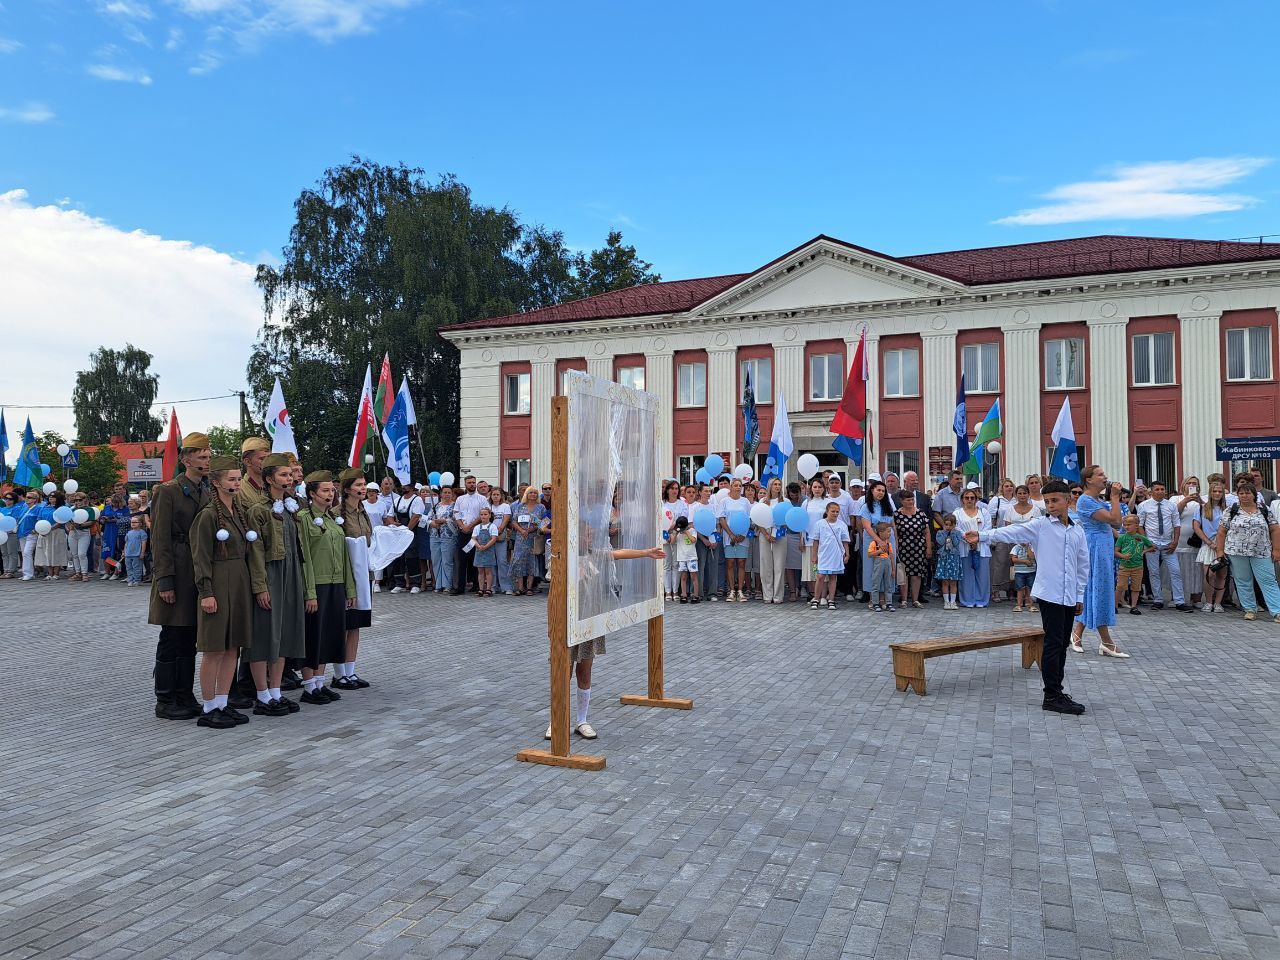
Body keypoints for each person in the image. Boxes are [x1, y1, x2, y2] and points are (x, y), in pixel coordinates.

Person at [970, 479, 1090, 715]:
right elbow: (1010, 531)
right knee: (1054, 644)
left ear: (1069, 500)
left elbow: (1082, 564)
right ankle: (1051, 695)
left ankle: (1057, 689)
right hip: (1050, 594)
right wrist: (982, 536)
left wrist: (1079, 594)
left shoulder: (1077, 529)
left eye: (1055, 500)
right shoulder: (1040, 525)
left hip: (1068, 595)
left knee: (1062, 643)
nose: (1051, 505)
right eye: (1047, 501)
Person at [544, 543, 666, 742]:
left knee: (585, 671)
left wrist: (646, 552)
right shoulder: (560, 554)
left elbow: (619, 554)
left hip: (589, 620)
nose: (589, 536)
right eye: (586, 532)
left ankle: (581, 721)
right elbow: (552, 594)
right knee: (561, 672)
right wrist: (552, 623)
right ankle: (556, 720)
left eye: (591, 532)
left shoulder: (596, 555)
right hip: (565, 622)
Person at [190, 455, 256, 729]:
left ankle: (222, 702)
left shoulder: (237, 512)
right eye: (231, 479)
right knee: (215, 648)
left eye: (238, 478)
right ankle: (208, 707)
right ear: (216, 482)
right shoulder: (207, 516)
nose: (237, 482)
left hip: (238, 582)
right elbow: (200, 557)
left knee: (233, 648)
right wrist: (206, 591)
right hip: (217, 583)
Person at [148, 432, 212, 721]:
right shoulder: (168, 490)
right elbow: (159, 538)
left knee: (190, 636)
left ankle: (185, 693)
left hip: (197, 570)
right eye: (201, 456)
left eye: (209, 456)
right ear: (186, 459)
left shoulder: (208, 490)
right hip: (177, 568)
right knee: (172, 636)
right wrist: (165, 580)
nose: (207, 461)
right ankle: (165, 698)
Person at [241, 453, 306, 716]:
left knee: (285, 633)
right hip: (271, 575)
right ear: (269, 479)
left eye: (290, 474)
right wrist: (260, 586)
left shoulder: (293, 509)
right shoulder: (258, 511)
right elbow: (255, 552)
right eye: (283, 475)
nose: (289, 479)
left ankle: (276, 692)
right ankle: (262, 695)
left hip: (291, 574)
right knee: (264, 635)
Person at [298, 471, 357, 704]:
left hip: (336, 583)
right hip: (317, 584)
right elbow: (305, 559)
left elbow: (345, 557)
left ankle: (320, 683)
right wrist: (309, 592)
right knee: (313, 635)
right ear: (312, 493)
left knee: (329, 635)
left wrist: (349, 589)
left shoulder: (333, 520)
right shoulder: (303, 518)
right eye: (325, 490)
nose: (330, 494)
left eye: (332, 490)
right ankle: (309, 686)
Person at [1069, 465, 1130, 657]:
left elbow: (1113, 526)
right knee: (1099, 590)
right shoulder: (1086, 501)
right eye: (1100, 475)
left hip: (1103, 546)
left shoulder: (1096, 499)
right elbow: (1115, 520)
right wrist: (1114, 497)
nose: (1105, 477)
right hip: (1094, 548)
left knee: (1094, 589)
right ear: (1089, 479)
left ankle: (1076, 633)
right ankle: (1106, 641)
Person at [1214, 481, 1280, 622]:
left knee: (1268, 580)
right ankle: (1250, 609)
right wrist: (1220, 551)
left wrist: (1277, 549)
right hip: (1236, 552)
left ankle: (1277, 611)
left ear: (1254, 494)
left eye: (1248, 493)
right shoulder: (1231, 510)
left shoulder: (1264, 509)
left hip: (1261, 552)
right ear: (1237, 495)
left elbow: (1275, 529)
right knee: (1243, 581)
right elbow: (1221, 532)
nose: (1244, 496)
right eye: (1241, 493)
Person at [336, 467, 374, 690]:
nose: (363, 488)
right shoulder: (337, 513)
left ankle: (350, 671)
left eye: (364, 484)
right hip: (345, 576)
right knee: (342, 624)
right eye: (358, 485)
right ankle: (339, 672)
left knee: (356, 624)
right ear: (348, 489)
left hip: (363, 575)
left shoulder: (363, 511)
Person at [1136, 481, 1192, 611]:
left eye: (1162, 489)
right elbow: (1139, 525)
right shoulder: (1144, 505)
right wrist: (1147, 542)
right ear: (1151, 491)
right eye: (1157, 489)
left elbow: (1177, 525)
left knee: (1176, 571)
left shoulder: (1171, 505)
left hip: (1168, 543)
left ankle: (1179, 601)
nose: (1160, 491)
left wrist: (1175, 542)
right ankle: (1158, 600)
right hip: (1152, 543)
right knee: (1154, 572)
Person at [952, 486, 991, 608]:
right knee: (966, 576)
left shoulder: (983, 512)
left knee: (982, 575)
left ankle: (981, 600)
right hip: (964, 547)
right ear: (962, 499)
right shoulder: (957, 512)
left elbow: (988, 528)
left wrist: (977, 538)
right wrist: (967, 538)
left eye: (972, 498)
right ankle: (967, 600)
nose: (969, 500)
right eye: (967, 498)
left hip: (981, 547)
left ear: (976, 499)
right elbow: (956, 528)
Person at [1194, 480, 1229, 612]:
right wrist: (1208, 542)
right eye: (1214, 491)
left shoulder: (1227, 509)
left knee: (1222, 574)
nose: (1217, 493)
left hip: (1223, 545)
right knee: (1209, 574)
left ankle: (1218, 603)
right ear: (1210, 492)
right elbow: (1196, 526)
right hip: (1208, 544)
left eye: (1220, 491)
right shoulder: (1203, 508)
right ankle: (1208, 601)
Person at [809, 500, 849, 610]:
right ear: (827, 511)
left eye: (837, 511)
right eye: (833, 511)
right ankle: (816, 598)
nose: (835, 513)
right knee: (820, 576)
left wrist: (847, 554)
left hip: (836, 553)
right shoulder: (820, 524)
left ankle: (831, 599)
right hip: (823, 553)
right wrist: (814, 555)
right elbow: (815, 541)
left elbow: (845, 540)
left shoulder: (842, 524)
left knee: (833, 576)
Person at [893, 493, 930, 608]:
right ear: (901, 501)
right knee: (902, 574)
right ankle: (904, 600)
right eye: (908, 500)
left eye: (912, 499)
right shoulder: (896, 515)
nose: (911, 502)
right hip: (902, 547)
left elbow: (927, 531)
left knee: (916, 574)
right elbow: (895, 533)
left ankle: (915, 599)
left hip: (918, 547)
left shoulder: (920, 513)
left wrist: (928, 547)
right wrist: (896, 547)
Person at [1173, 476, 1205, 607]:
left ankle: (1196, 598)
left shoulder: (1204, 499)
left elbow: (1209, 513)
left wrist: (1200, 501)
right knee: (1178, 570)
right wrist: (1185, 500)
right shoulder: (1175, 499)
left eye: (1194, 483)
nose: (1191, 485)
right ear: (1183, 485)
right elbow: (1173, 514)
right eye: (1189, 483)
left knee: (1196, 571)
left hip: (1197, 540)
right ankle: (1177, 597)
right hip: (1179, 540)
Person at [1114, 514, 1155, 616]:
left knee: (1136, 587)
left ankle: (1134, 606)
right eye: (1125, 525)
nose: (1126, 527)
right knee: (1120, 586)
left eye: (1129, 524)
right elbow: (1115, 552)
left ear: (1137, 525)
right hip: (1124, 566)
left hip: (1138, 566)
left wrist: (1144, 551)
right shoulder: (1122, 538)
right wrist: (1123, 556)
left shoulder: (1141, 538)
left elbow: (1152, 546)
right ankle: (1114, 606)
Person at [452, 475, 486, 594]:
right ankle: (460, 587)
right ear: (465, 484)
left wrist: (470, 526)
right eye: (469, 483)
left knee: (475, 559)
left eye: (473, 482)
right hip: (463, 533)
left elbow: (483, 515)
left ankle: (477, 586)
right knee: (462, 560)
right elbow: (456, 514)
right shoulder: (460, 499)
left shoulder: (481, 499)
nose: (471, 484)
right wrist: (462, 526)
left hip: (476, 534)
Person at [987, 478, 1018, 603]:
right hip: (1002, 534)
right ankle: (996, 590)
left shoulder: (1017, 499)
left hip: (1016, 536)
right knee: (999, 564)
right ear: (1002, 488)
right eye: (1006, 486)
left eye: (1011, 485)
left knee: (1013, 564)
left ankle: (1011, 590)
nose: (1009, 488)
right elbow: (990, 518)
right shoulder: (997, 500)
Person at [719, 478, 751, 602]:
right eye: (736, 485)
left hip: (743, 537)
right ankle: (732, 590)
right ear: (731, 487)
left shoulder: (745, 501)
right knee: (730, 563)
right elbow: (722, 519)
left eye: (740, 485)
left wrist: (743, 534)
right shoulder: (724, 501)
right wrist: (731, 534)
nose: (738, 487)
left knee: (742, 563)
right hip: (729, 537)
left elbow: (749, 518)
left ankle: (740, 591)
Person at [511, 486, 546, 595]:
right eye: (530, 493)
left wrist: (533, 528)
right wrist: (521, 530)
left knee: (532, 561)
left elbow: (545, 522)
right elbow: (513, 521)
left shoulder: (541, 507)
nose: (533, 495)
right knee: (519, 560)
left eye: (535, 493)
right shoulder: (520, 506)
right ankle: (520, 587)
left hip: (533, 538)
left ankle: (529, 587)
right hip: (521, 538)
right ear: (526, 494)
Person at [758, 477, 787, 604]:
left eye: (779, 484)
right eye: (775, 484)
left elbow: (788, 519)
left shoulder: (785, 501)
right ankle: (767, 594)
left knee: (779, 565)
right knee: (766, 565)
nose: (777, 486)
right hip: (765, 533)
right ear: (770, 486)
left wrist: (777, 532)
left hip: (780, 534)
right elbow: (758, 519)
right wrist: (766, 534)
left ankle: (778, 595)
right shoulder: (763, 501)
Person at [429, 485, 458, 593]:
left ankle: (447, 585)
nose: (446, 495)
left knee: (447, 561)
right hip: (434, 535)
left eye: (448, 493)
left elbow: (456, 521)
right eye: (444, 492)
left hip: (448, 536)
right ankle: (438, 584)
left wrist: (445, 521)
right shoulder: (436, 506)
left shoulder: (455, 507)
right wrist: (431, 523)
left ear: (452, 494)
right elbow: (428, 519)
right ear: (441, 494)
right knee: (436, 560)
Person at [660, 480, 684, 601]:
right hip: (664, 538)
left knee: (676, 564)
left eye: (676, 489)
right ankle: (667, 591)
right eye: (672, 488)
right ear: (667, 490)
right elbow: (659, 520)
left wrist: (674, 533)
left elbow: (683, 521)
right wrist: (666, 535)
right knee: (666, 565)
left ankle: (675, 591)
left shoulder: (682, 503)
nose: (674, 491)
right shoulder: (661, 503)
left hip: (678, 538)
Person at [934, 514, 964, 609]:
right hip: (944, 558)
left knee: (953, 582)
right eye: (946, 524)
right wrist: (945, 534)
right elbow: (941, 542)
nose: (948, 527)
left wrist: (952, 534)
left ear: (954, 525)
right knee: (945, 581)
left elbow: (956, 543)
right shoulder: (940, 533)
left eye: (950, 525)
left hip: (954, 558)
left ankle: (953, 602)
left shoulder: (957, 533)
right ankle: (946, 602)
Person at [867, 520, 896, 612]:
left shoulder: (889, 544)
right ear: (880, 533)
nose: (889, 534)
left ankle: (889, 603)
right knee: (876, 583)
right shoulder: (874, 543)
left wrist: (893, 569)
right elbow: (869, 555)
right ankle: (875, 603)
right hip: (878, 563)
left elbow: (891, 556)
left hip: (887, 564)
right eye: (888, 532)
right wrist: (879, 551)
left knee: (888, 584)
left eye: (890, 532)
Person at [471, 505, 498, 596]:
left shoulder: (493, 526)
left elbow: (493, 538)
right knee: (480, 571)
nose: (483, 516)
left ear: (490, 515)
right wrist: (479, 546)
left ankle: (489, 589)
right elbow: (473, 538)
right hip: (479, 551)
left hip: (488, 550)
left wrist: (485, 546)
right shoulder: (477, 527)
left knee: (488, 571)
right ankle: (481, 588)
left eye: (485, 514)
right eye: (481, 514)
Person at [674, 516, 699, 602]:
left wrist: (687, 532)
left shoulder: (692, 531)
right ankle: (683, 594)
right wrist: (676, 533)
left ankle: (696, 595)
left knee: (694, 576)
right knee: (683, 576)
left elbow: (693, 540)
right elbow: (673, 541)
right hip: (681, 558)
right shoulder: (678, 533)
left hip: (691, 557)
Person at [123, 515, 148, 586]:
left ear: (140, 523)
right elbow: (126, 543)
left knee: (137, 568)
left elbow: (144, 543)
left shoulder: (142, 532)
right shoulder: (129, 533)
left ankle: (137, 580)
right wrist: (124, 552)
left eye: (135, 522)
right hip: (128, 554)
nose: (133, 523)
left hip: (137, 554)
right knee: (129, 568)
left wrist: (142, 553)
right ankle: (131, 580)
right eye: (131, 522)